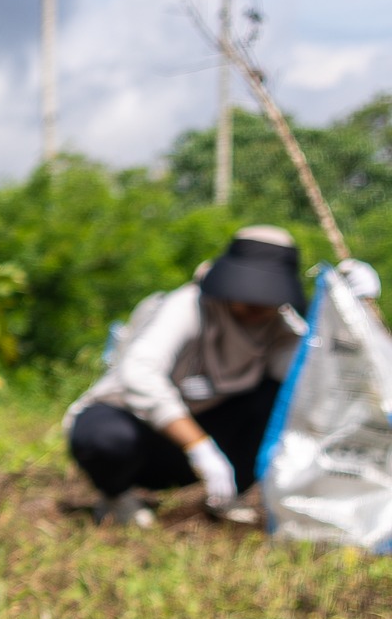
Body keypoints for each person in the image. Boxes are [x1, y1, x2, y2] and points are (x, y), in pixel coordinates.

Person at [66, 226, 315, 528]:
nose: (256, 307)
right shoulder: (188, 305)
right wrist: (200, 448)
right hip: (139, 433)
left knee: (275, 396)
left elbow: (314, 376)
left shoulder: (278, 327)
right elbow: (138, 372)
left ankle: (226, 496)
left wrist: (354, 310)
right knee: (107, 438)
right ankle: (117, 496)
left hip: (203, 441)